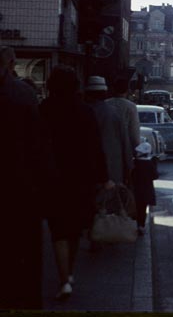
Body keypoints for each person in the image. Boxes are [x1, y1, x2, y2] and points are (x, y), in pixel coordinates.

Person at [41, 66, 109, 300]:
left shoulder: (44, 109)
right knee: (73, 230)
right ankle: (69, 273)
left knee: (57, 231)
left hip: (53, 178)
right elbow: (96, 147)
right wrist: (103, 177)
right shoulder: (85, 111)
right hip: (81, 179)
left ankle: (64, 279)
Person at [0, 47, 44, 309]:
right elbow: (37, 145)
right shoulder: (22, 94)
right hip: (18, 186)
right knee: (22, 256)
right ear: (12, 63)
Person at [85, 76, 133, 187]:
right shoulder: (114, 113)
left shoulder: (82, 112)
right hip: (112, 171)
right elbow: (125, 143)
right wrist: (128, 169)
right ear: (104, 92)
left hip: (87, 171)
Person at [106, 78, 140, 162]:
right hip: (124, 148)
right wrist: (136, 150)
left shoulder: (105, 104)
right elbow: (134, 132)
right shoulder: (130, 107)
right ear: (127, 90)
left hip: (106, 147)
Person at [132, 136, 157, 236]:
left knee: (136, 208)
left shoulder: (135, 163)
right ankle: (141, 226)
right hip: (146, 190)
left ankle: (135, 224)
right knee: (143, 209)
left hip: (136, 190)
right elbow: (155, 176)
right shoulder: (149, 163)